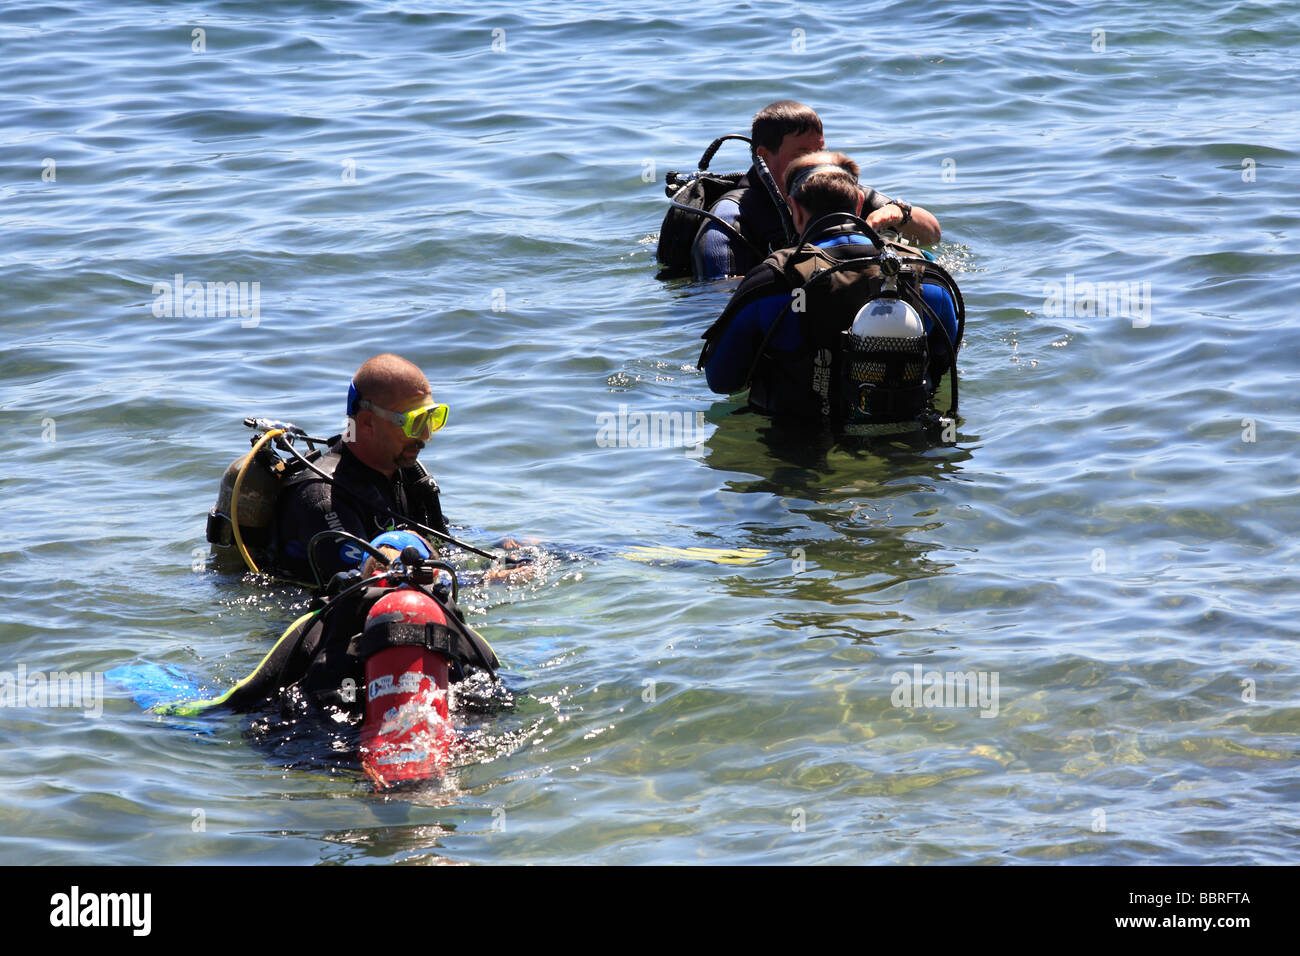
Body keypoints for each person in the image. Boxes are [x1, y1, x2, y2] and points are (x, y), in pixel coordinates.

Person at [698, 151, 963, 433]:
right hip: (906, 445)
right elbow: (943, 364)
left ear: (794, 209)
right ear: (860, 202)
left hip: (798, 452)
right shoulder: (926, 276)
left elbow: (721, 381)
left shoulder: (773, 281)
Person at [690, 102, 943, 280]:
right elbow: (717, 301)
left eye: (820, 151)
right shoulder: (730, 219)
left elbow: (932, 235)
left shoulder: (838, 191)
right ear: (764, 158)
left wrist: (900, 214)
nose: (817, 162)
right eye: (802, 154)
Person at [273, 353, 451, 583]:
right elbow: (369, 585)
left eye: (431, 418)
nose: (426, 436)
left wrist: (500, 547)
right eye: (414, 422)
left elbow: (439, 533)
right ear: (367, 423)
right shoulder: (324, 498)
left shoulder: (401, 470)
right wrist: (489, 579)